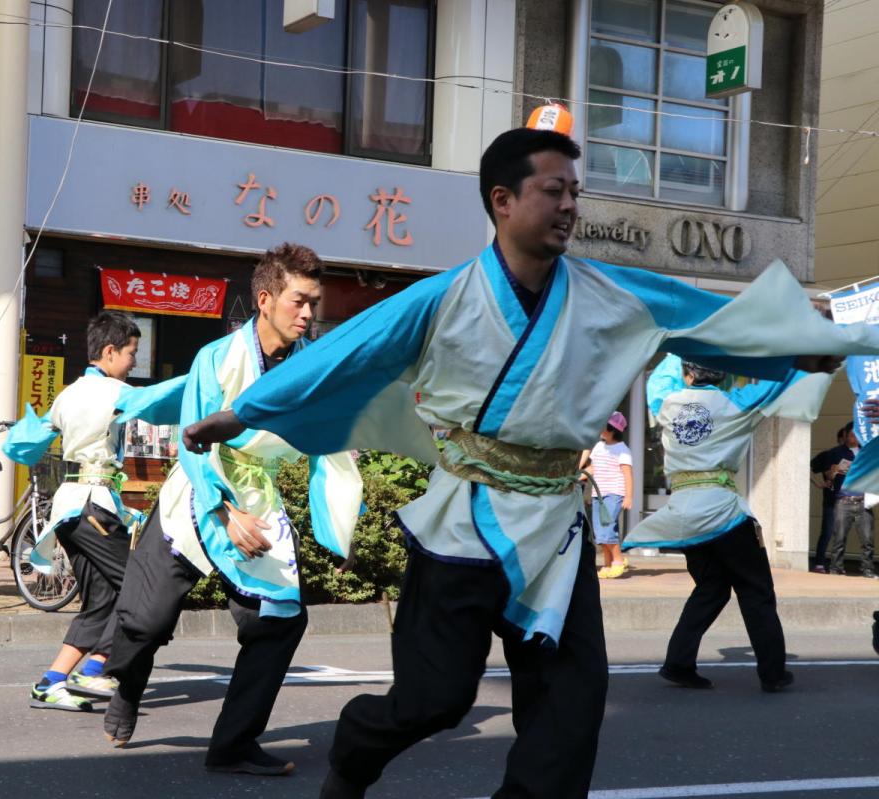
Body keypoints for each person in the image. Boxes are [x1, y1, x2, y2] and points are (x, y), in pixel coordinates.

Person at [180, 126, 873, 799]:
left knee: (571, 709)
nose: (570, 205)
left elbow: (706, 320)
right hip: (463, 520)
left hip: (555, 528)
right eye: (553, 190)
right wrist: (238, 414)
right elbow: (341, 355)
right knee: (434, 699)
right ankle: (356, 750)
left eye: (575, 192)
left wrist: (800, 346)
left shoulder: (614, 293)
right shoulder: (442, 297)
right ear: (503, 200)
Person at [101, 244, 364, 776]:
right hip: (196, 494)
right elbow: (193, 441)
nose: (308, 314)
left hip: (256, 496)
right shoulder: (217, 358)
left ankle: (233, 744)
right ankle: (128, 685)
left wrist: (338, 530)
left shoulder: (312, 368)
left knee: (280, 620)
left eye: (313, 303)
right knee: (144, 624)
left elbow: (330, 447)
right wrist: (222, 512)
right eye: (298, 301)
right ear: (265, 300)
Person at [622, 355, 833, 692]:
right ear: (723, 376)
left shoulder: (666, 402)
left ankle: (678, 663)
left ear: (688, 373)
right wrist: (810, 356)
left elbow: (659, 380)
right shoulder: (737, 403)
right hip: (723, 512)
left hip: (684, 513)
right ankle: (772, 673)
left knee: (712, 587)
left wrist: (682, 348)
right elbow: (777, 384)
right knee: (756, 591)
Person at [28, 311, 185, 712]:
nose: (134, 362)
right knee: (140, 587)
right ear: (110, 351)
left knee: (101, 599)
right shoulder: (114, 392)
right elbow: (163, 401)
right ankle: (96, 668)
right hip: (93, 505)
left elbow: (25, 441)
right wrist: (212, 384)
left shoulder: (67, 394)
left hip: (70, 507)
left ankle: (51, 683)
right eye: (131, 353)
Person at [581, 412, 633, 579]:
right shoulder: (598, 447)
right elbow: (593, 468)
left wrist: (628, 497)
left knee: (608, 529)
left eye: (603, 427)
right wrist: (577, 477)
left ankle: (618, 561)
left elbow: (627, 474)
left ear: (613, 430)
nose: (600, 430)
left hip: (614, 494)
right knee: (600, 532)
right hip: (598, 494)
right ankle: (607, 564)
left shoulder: (622, 450)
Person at [823, 425, 877, 577]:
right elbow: (828, 478)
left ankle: (867, 570)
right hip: (843, 501)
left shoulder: (867, 452)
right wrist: (832, 472)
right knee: (839, 538)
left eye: (857, 435)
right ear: (846, 435)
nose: (854, 438)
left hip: (863, 500)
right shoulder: (836, 453)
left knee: (867, 540)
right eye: (851, 435)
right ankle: (836, 568)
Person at [809, 424, 850, 573]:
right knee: (827, 531)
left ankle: (837, 565)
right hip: (831, 500)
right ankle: (819, 563)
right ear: (841, 439)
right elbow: (808, 468)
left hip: (847, 500)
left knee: (841, 534)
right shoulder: (828, 455)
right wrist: (818, 483)